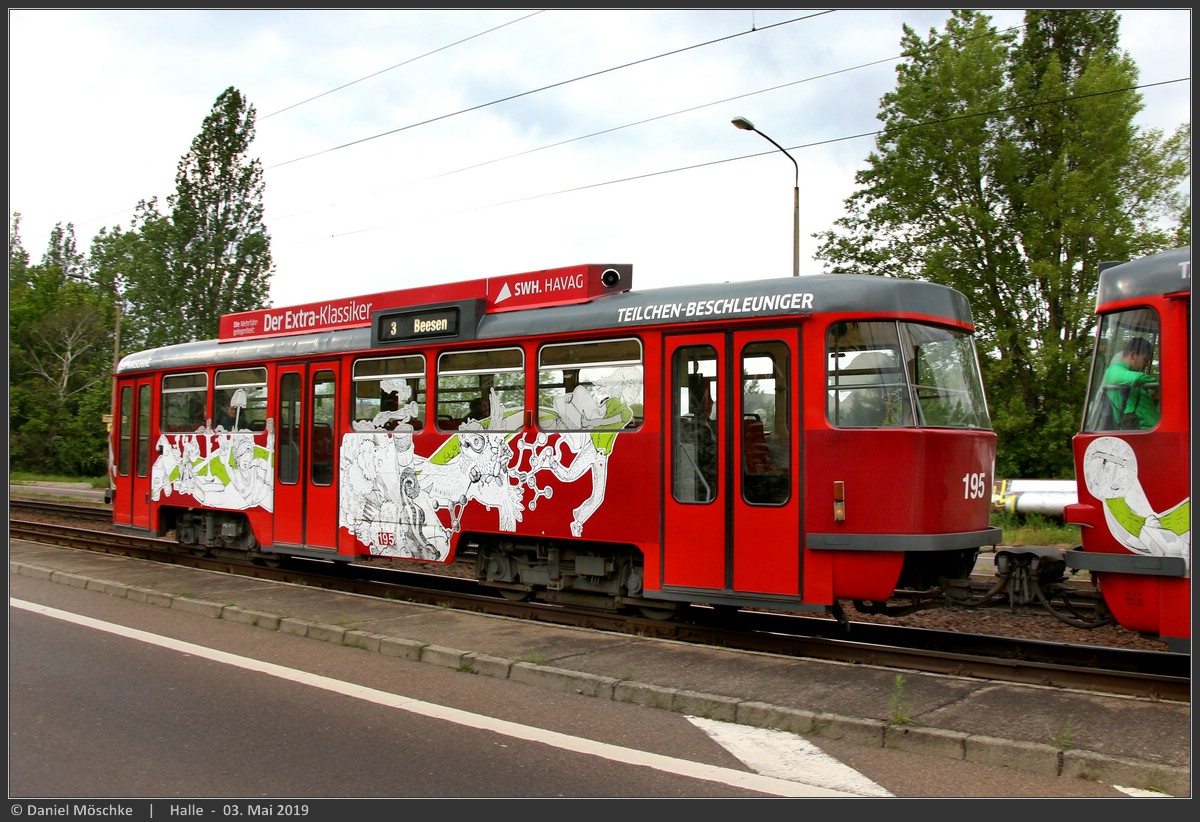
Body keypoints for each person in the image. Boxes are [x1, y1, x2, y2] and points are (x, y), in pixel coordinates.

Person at [1103, 337, 1159, 429]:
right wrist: (1160, 385)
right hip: (1138, 430)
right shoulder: (1114, 370)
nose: (1146, 365)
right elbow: (1136, 378)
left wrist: (1154, 399)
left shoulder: (1132, 374)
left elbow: (1141, 407)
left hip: (1153, 429)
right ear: (1133, 355)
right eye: (1145, 360)